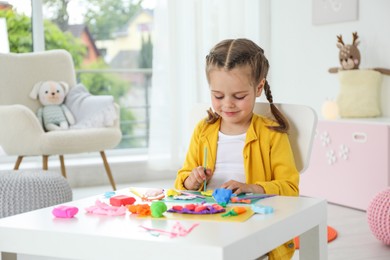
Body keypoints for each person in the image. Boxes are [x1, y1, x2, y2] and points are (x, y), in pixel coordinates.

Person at [174, 38, 299, 260]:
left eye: (239, 97)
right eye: (218, 96)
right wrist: (190, 181)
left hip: (253, 226)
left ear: (259, 87)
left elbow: (290, 188)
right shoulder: (203, 131)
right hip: (206, 223)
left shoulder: (271, 133)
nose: (227, 104)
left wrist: (253, 188)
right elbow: (182, 181)